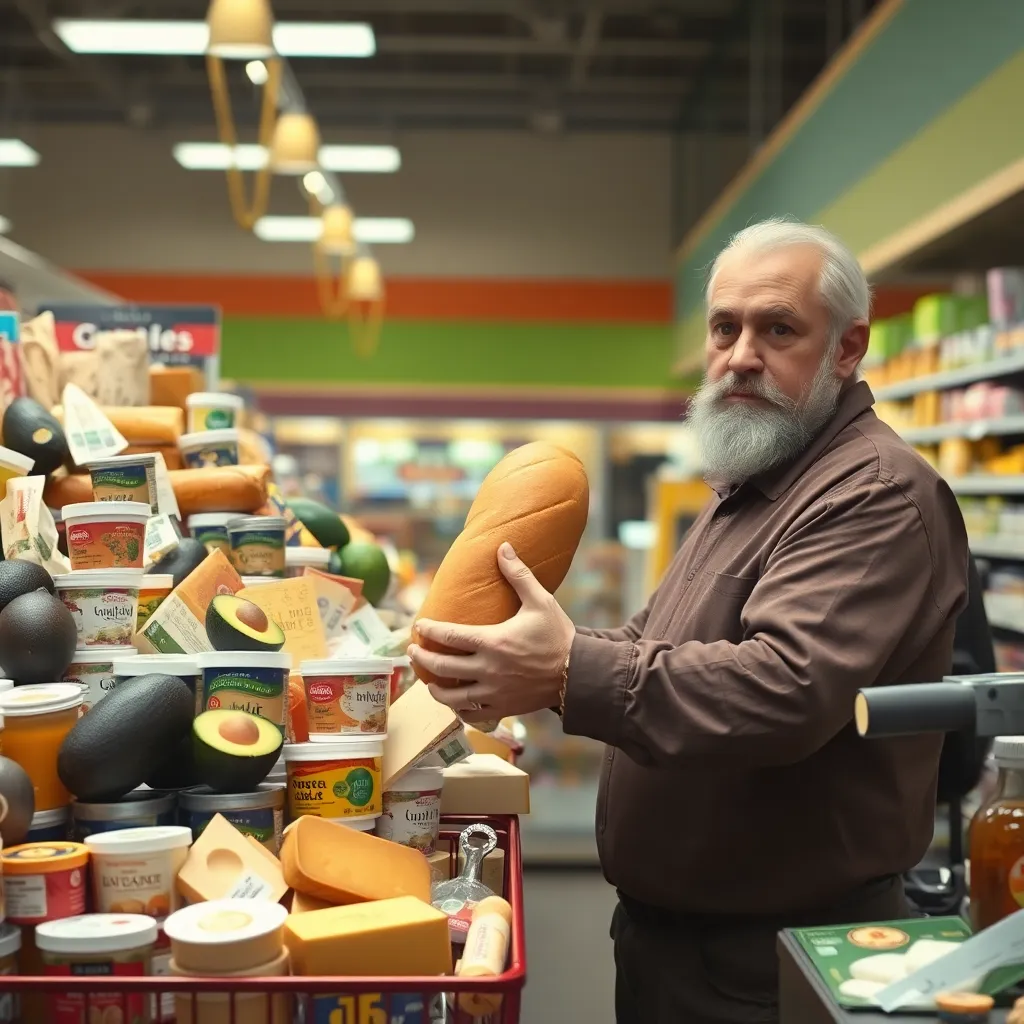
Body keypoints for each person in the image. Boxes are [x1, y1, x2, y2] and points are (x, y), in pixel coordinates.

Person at [409, 219, 970, 1024]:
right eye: (724, 327)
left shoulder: (872, 495)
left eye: (778, 329)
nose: (741, 354)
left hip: (772, 962)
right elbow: (652, 645)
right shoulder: (750, 481)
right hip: (681, 946)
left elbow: (782, 689)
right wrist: (523, 656)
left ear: (847, 349)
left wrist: (567, 670)